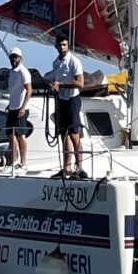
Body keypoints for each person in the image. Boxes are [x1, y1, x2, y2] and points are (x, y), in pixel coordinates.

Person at [49, 32, 86, 176]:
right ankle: (66, 168)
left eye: (64, 45)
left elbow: (80, 83)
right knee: (64, 134)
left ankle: (80, 167)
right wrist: (54, 86)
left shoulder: (74, 61)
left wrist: (61, 85)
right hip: (61, 100)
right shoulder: (56, 62)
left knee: (74, 134)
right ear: (56, 46)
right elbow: (57, 80)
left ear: (68, 45)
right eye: (59, 45)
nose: (62, 48)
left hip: (72, 100)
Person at [5, 49, 33, 166]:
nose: (13, 59)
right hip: (12, 107)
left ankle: (23, 162)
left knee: (20, 135)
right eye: (11, 57)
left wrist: (23, 107)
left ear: (20, 58)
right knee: (10, 134)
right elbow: (14, 91)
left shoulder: (23, 71)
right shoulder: (12, 72)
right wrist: (10, 104)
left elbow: (29, 90)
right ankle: (14, 160)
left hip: (21, 108)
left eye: (15, 57)